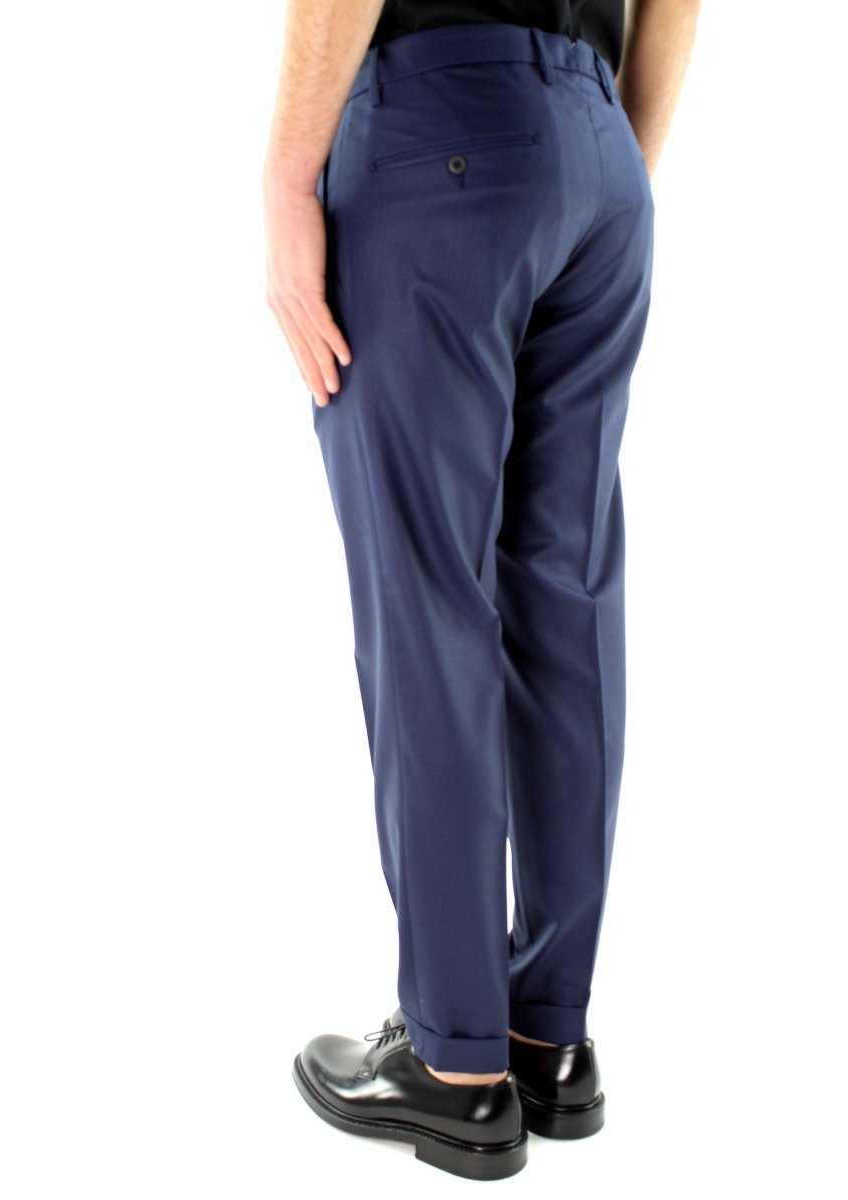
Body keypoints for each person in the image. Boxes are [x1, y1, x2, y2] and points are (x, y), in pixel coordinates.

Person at [263, 0, 701, 1180]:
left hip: (438, 128)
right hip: (601, 152)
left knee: (426, 593)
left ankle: (454, 1063)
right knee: (567, 593)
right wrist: (602, 164)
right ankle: (546, 1033)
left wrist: (289, 178)